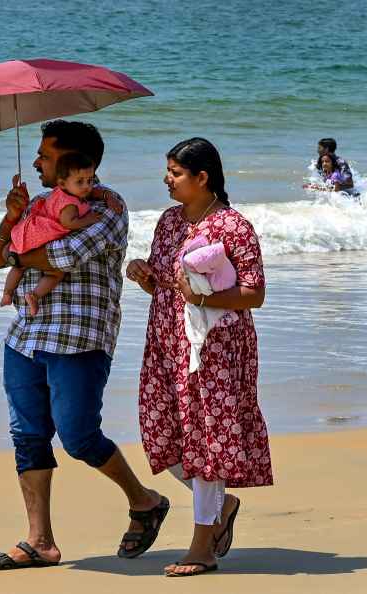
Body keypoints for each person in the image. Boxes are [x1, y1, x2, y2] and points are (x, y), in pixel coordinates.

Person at [0, 120, 169, 571]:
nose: (37, 162)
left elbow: (64, 256)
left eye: (45, 155)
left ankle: (144, 501)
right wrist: (12, 218)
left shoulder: (106, 205)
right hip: (25, 336)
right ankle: (39, 540)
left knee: (79, 437)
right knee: (27, 436)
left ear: (72, 160)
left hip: (79, 340)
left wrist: (18, 252)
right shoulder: (40, 204)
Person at [126, 138, 273, 577]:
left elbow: (255, 293)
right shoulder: (170, 221)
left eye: (175, 172)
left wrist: (204, 297)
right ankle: (221, 505)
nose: (166, 179)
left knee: (205, 441)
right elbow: (166, 285)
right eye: (168, 171)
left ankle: (202, 547)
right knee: (161, 433)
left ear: (202, 177)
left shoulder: (233, 226)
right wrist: (144, 276)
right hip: (168, 341)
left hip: (218, 347)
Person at [0, 151, 121, 316]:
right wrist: (89, 219)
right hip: (40, 236)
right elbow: (68, 222)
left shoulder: (60, 192)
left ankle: (7, 293)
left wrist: (105, 195)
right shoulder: (71, 203)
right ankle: (35, 295)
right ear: (63, 183)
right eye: (81, 182)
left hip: (29, 232)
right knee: (55, 272)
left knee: (17, 267)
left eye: (90, 181)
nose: (87, 186)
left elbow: (91, 191)